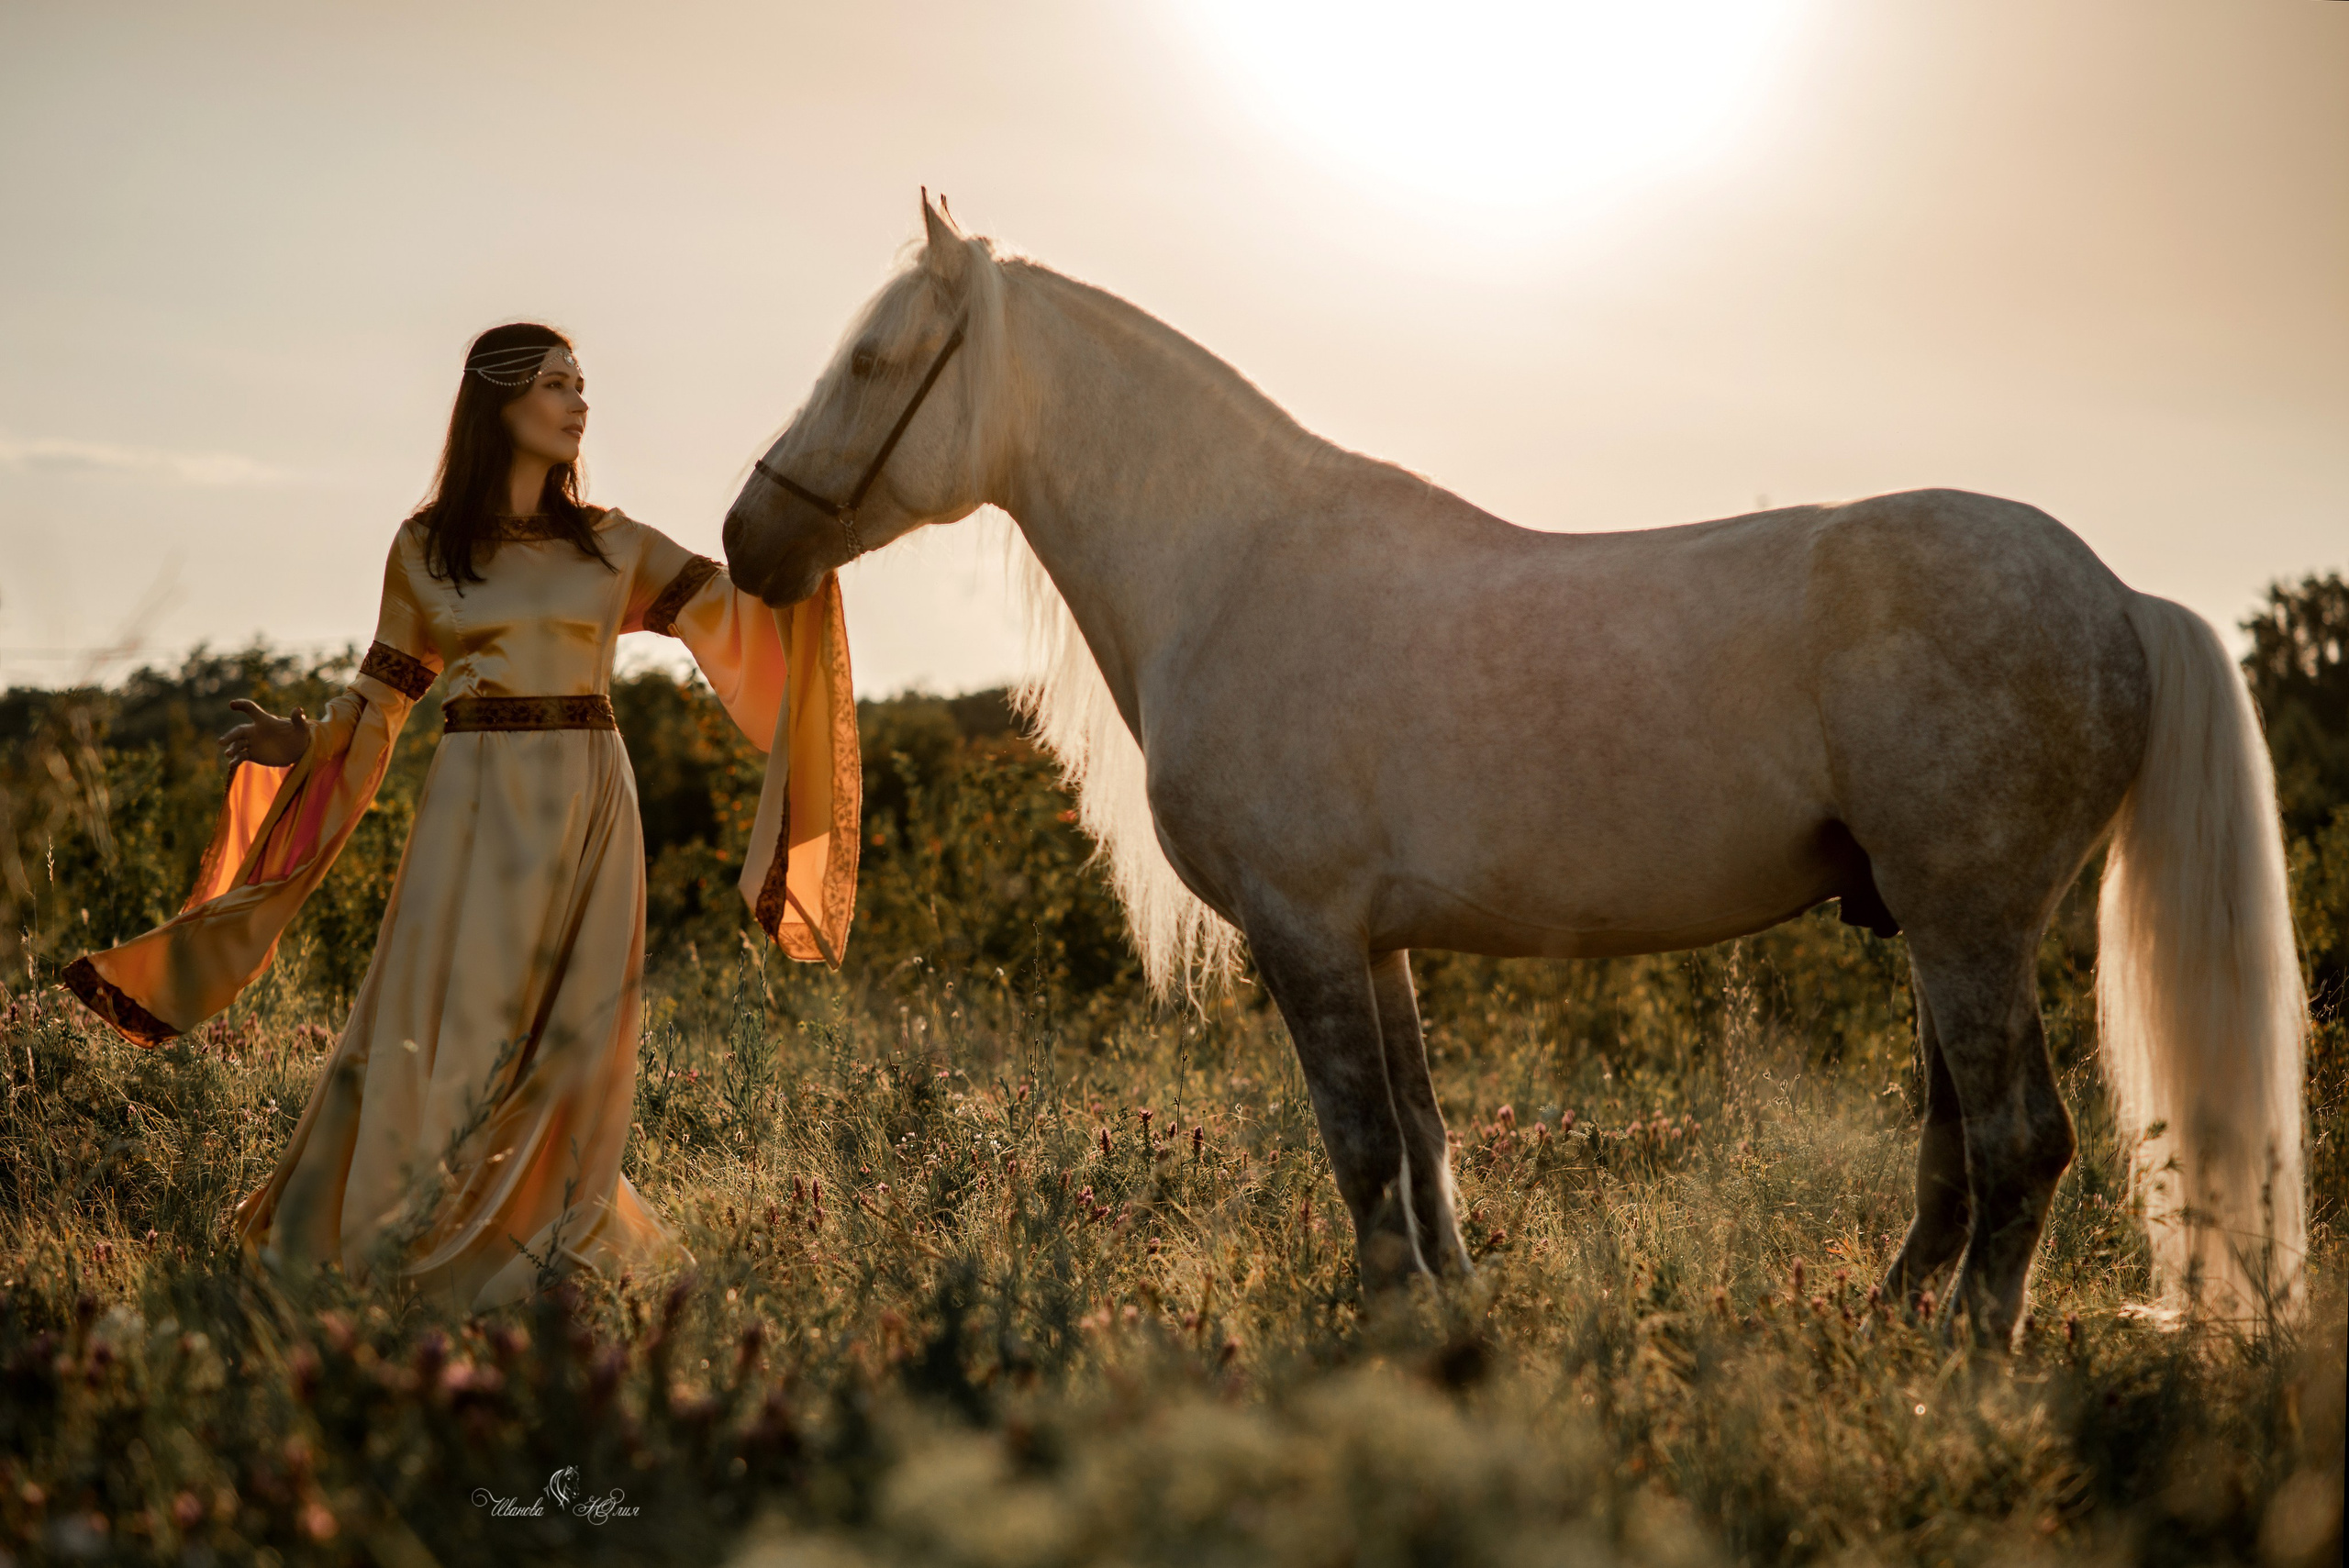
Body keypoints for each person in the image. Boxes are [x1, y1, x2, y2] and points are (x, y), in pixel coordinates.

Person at [63, 321, 862, 1314]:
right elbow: (380, 699)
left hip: (591, 803)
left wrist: (813, 567)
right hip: (475, 802)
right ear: (499, 404)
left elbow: (740, 611)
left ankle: (551, 1236)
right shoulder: (426, 548)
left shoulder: (613, 543)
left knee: (579, 1028)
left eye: (582, 385)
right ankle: (416, 1222)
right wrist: (306, 741)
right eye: (556, 385)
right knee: (457, 1017)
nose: (579, 404)